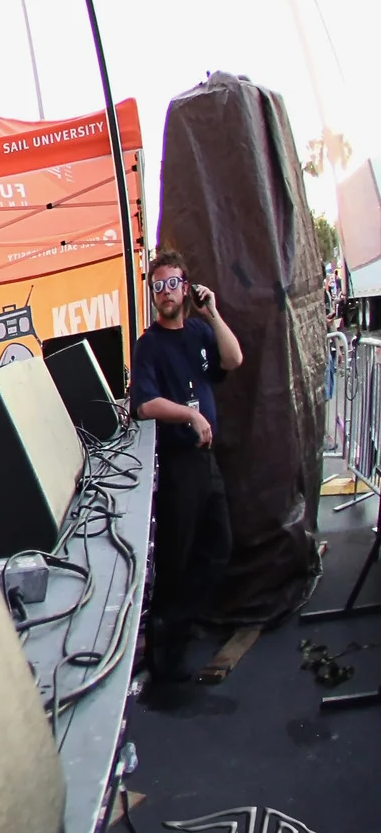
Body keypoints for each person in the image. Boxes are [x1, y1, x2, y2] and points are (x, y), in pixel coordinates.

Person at [131, 247, 243, 684]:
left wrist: (212, 313)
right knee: (175, 558)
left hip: (206, 459)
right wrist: (189, 415)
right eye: (157, 286)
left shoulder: (198, 330)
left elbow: (233, 360)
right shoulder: (149, 345)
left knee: (218, 547)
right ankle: (166, 654)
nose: (165, 292)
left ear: (186, 287)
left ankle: (177, 623)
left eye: (172, 283)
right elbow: (144, 404)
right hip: (178, 462)